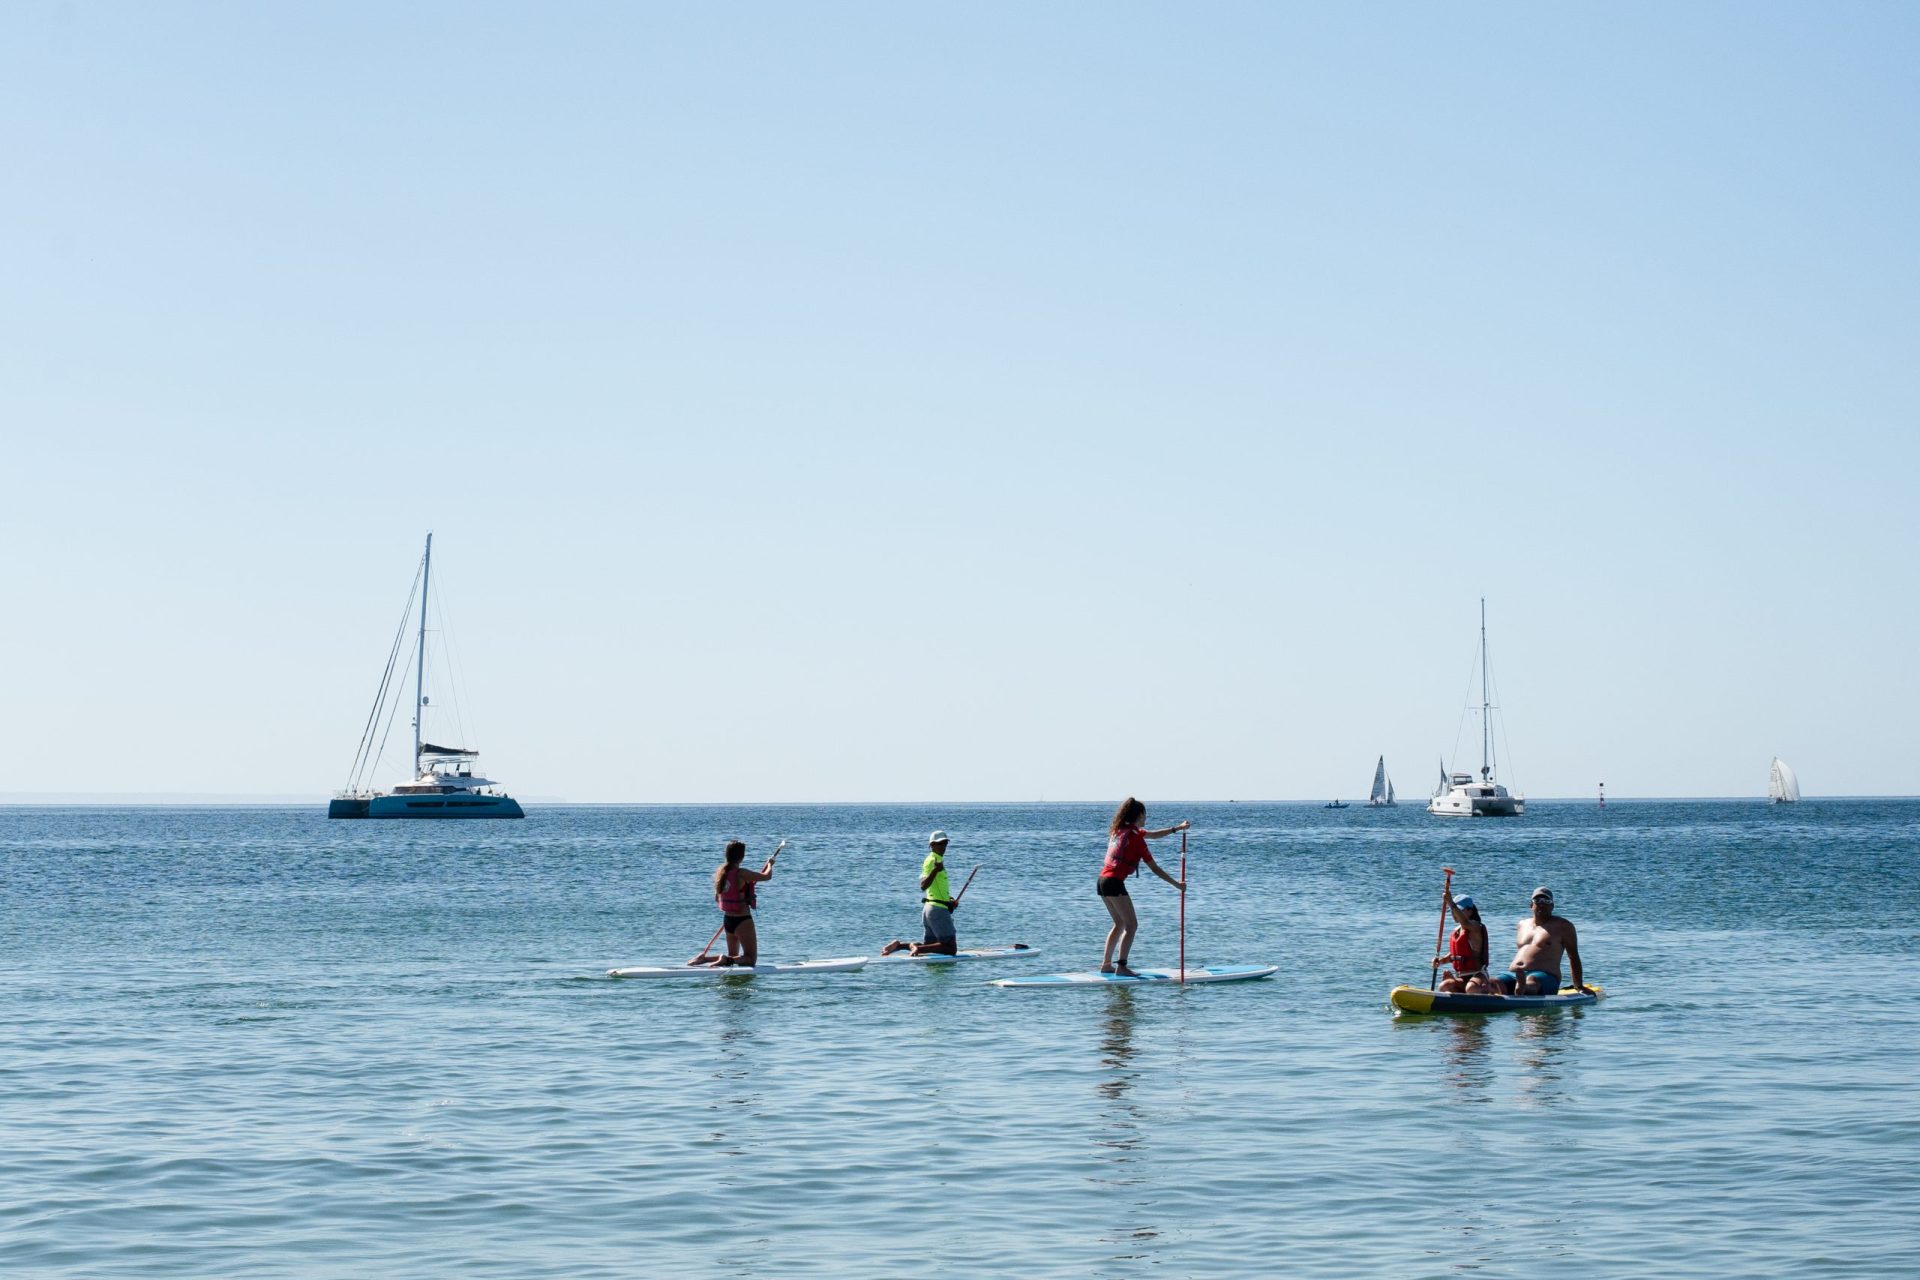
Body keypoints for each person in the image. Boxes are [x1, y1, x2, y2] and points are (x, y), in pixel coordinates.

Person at [1097, 797, 1188, 976]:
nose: (1146, 818)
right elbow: (1155, 868)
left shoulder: (1119, 830)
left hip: (1102, 881)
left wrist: (1177, 829)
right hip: (1114, 883)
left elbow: (1153, 834)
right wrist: (1177, 885)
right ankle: (1121, 967)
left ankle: (1106, 965)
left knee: (1119, 923)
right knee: (1132, 926)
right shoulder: (1136, 838)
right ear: (1138, 815)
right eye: (1144, 815)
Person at [690, 839, 776, 968]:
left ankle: (704, 959)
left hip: (728, 920)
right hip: (742, 921)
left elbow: (717, 898)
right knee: (750, 959)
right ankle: (723, 959)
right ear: (741, 857)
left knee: (733, 957)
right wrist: (770, 864)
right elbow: (767, 876)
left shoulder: (722, 873)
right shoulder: (742, 873)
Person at [1492, 887, 1590, 995]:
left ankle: (1522, 988)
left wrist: (1579, 986)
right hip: (1515, 973)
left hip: (1544, 976)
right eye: (1537, 901)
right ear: (1531, 905)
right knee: (1495, 982)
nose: (1542, 904)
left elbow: (1573, 956)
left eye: (1546, 901)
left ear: (1552, 906)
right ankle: (1506, 990)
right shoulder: (1522, 924)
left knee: (1532, 981)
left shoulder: (1563, 926)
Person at [879, 830, 962, 957]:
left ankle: (899, 945)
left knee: (931, 945)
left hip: (931, 908)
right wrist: (935, 870)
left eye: (945, 843)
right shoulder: (933, 861)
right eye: (939, 844)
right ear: (932, 845)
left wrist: (948, 901)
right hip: (937, 910)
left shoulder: (935, 859)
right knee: (951, 948)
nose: (943, 846)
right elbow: (923, 885)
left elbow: (935, 888)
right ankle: (916, 948)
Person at [1432, 894, 1498, 994]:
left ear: (1470, 911)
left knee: (1471, 988)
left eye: (1459, 910)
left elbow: (1465, 923)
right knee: (1443, 987)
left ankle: (1491, 987)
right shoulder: (1456, 931)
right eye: (1453, 911)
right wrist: (1440, 961)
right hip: (1462, 978)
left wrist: (1451, 903)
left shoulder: (1476, 927)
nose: (1454, 914)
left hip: (1477, 975)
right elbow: (1455, 955)